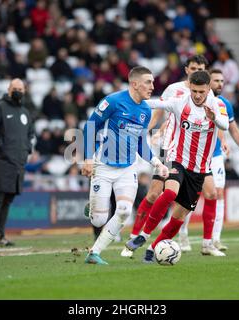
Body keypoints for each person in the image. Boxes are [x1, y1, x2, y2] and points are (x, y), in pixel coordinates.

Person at [125, 70, 229, 262]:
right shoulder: (181, 102)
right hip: (177, 159)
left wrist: (213, 117)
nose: (197, 96)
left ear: (208, 89)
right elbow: (156, 103)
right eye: (194, 91)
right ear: (190, 87)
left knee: (179, 218)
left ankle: (152, 249)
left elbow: (225, 125)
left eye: (201, 92)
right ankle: (144, 234)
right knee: (170, 193)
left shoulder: (216, 104)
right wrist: (127, 99)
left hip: (199, 170)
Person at [82, 66, 169, 265]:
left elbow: (140, 142)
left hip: (128, 169)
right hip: (103, 167)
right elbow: (90, 126)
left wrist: (156, 163)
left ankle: (94, 253)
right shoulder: (112, 101)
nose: (152, 86)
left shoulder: (146, 110)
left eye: (153, 82)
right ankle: (93, 208)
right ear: (134, 84)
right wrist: (87, 157)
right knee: (98, 220)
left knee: (123, 210)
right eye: (148, 82)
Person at [205, 69, 239, 251]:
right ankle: (182, 237)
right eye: (216, 80)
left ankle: (215, 239)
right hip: (195, 156)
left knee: (218, 193)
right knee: (188, 197)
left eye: (222, 81)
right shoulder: (199, 100)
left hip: (215, 156)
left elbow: (233, 129)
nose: (220, 84)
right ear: (208, 82)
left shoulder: (224, 104)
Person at [0, 78, 34, 246]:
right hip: (2, 161)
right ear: (8, 89)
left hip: (18, 164)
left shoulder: (25, 113)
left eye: (20, 88)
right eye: (15, 88)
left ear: (24, 91)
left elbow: (30, 134)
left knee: (8, 199)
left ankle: (0, 234)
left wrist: (27, 149)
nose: (18, 90)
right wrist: (1, 148)